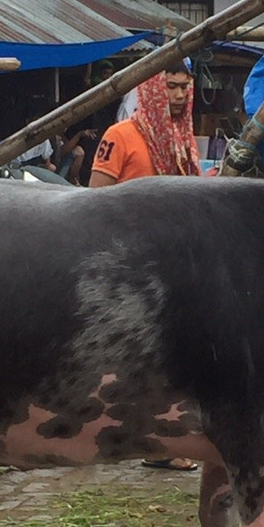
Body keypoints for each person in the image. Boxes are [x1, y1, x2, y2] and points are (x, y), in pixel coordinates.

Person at [89, 63, 201, 472]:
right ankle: (155, 447)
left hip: (174, 268)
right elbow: (94, 202)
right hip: (128, 268)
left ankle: (168, 441)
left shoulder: (183, 140)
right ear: (153, 89)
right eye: (169, 86)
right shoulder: (120, 136)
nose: (177, 95)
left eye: (183, 87)